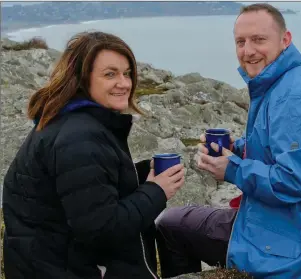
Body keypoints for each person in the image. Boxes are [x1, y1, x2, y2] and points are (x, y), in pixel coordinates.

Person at [156, 3, 301, 279]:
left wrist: (233, 169)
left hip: (300, 239)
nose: (247, 51)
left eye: (259, 40)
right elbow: (283, 148)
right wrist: (237, 149)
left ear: (285, 39)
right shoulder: (284, 80)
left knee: (169, 224)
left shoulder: (294, 96)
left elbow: (296, 181)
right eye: (241, 42)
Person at [2, 31, 185, 279]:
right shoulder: (79, 139)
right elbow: (102, 231)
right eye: (110, 74)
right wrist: (157, 192)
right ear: (81, 79)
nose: (124, 83)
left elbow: (86, 191)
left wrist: (139, 174)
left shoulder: (70, 122)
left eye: (127, 73)